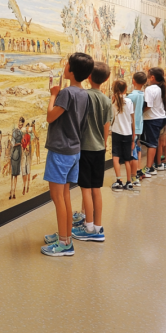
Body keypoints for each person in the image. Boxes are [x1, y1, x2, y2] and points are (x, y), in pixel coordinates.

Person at [42, 52, 93, 257]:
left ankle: (64, 243)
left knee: (57, 197)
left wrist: (53, 94)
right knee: (65, 195)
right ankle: (65, 235)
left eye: (67, 64)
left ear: (71, 70)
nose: (65, 66)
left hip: (60, 151)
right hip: (74, 151)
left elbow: (50, 116)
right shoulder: (84, 94)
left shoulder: (66, 93)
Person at [72, 62, 111, 242]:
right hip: (99, 149)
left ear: (88, 76)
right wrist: (103, 144)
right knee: (97, 189)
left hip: (85, 148)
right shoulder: (106, 100)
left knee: (85, 190)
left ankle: (88, 228)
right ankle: (98, 226)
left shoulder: (84, 96)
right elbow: (106, 126)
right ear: (107, 79)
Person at [140, 67, 166, 177]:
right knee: (153, 142)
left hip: (153, 119)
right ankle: (153, 165)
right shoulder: (159, 87)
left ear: (152, 77)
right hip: (160, 118)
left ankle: (149, 167)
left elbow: (148, 105)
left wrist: (139, 113)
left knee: (151, 143)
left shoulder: (150, 89)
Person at [110, 79, 136, 191]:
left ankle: (119, 181)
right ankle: (129, 182)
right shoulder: (129, 101)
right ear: (125, 89)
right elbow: (132, 120)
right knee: (127, 159)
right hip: (127, 133)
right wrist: (133, 135)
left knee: (116, 157)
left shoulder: (112, 101)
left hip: (116, 132)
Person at [127, 71, 147, 181]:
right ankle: (138, 169)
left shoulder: (131, 96)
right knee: (138, 149)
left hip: (132, 127)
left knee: (132, 151)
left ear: (133, 81)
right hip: (140, 126)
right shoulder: (143, 95)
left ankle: (134, 175)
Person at [9, 117, 24, 199]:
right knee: (13, 174)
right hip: (14, 154)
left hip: (18, 154)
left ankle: (13, 192)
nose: (20, 125)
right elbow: (13, 144)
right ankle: (12, 192)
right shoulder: (15, 131)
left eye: (21, 124)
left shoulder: (21, 133)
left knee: (15, 175)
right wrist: (19, 144)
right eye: (19, 123)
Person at [20, 125, 32, 195]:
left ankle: (27, 186)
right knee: (24, 171)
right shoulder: (23, 137)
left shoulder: (28, 136)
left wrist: (26, 149)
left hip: (27, 153)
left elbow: (28, 145)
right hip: (24, 154)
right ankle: (25, 186)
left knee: (27, 171)